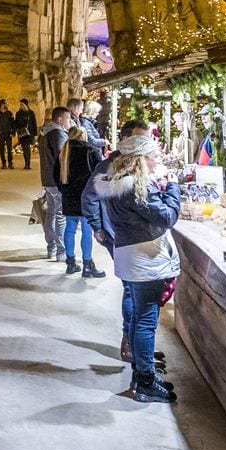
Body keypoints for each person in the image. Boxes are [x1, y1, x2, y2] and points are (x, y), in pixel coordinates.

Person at [94, 135, 181, 404]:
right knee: (145, 320)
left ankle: (141, 375)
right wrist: (173, 187)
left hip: (129, 253)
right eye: (154, 155)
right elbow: (167, 217)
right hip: (145, 257)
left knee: (138, 318)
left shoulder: (116, 183)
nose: (158, 159)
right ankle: (144, 380)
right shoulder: (136, 188)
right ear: (140, 159)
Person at [81, 120, 157, 365]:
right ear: (125, 140)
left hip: (136, 236)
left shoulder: (139, 165)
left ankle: (138, 344)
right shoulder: (110, 166)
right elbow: (89, 196)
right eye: (139, 140)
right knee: (132, 290)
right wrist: (97, 227)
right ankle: (130, 343)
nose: (144, 147)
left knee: (137, 290)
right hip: (121, 237)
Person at [57, 126, 104, 278]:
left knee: (69, 228)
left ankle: (70, 263)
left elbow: (55, 175)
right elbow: (100, 171)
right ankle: (88, 265)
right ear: (83, 136)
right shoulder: (90, 150)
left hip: (69, 196)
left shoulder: (63, 152)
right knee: (86, 230)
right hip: (86, 196)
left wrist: (64, 190)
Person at [37, 107, 71, 260]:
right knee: (60, 215)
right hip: (57, 180)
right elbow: (63, 156)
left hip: (47, 178)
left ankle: (51, 247)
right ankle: (61, 251)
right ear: (60, 119)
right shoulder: (58, 133)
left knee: (51, 213)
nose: (69, 122)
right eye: (68, 119)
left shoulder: (45, 132)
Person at [14, 98, 38, 170]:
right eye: (20, 104)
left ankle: (28, 164)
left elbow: (34, 123)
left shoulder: (31, 113)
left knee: (27, 148)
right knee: (24, 148)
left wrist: (35, 134)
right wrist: (15, 130)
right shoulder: (18, 113)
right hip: (21, 133)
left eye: (21, 104)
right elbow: (16, 123)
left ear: (25, 105)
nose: (20, 105)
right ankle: (26, 163)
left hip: (29, 133)